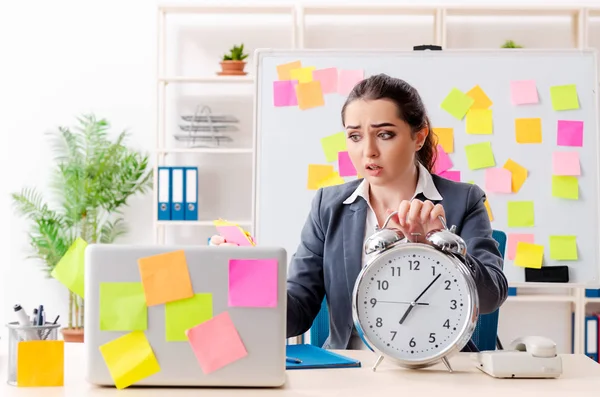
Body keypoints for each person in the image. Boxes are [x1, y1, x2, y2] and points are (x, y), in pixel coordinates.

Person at [210, 73, 508, 350]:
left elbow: (492, 295)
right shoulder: (328, 206)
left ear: (419, 137)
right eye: (355, 136)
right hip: (351, 372)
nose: (368, 151)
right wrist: (247, 273)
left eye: (385, 134)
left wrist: (442, 244)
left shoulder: (463, 200)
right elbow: (297, 314)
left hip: (439, 371)